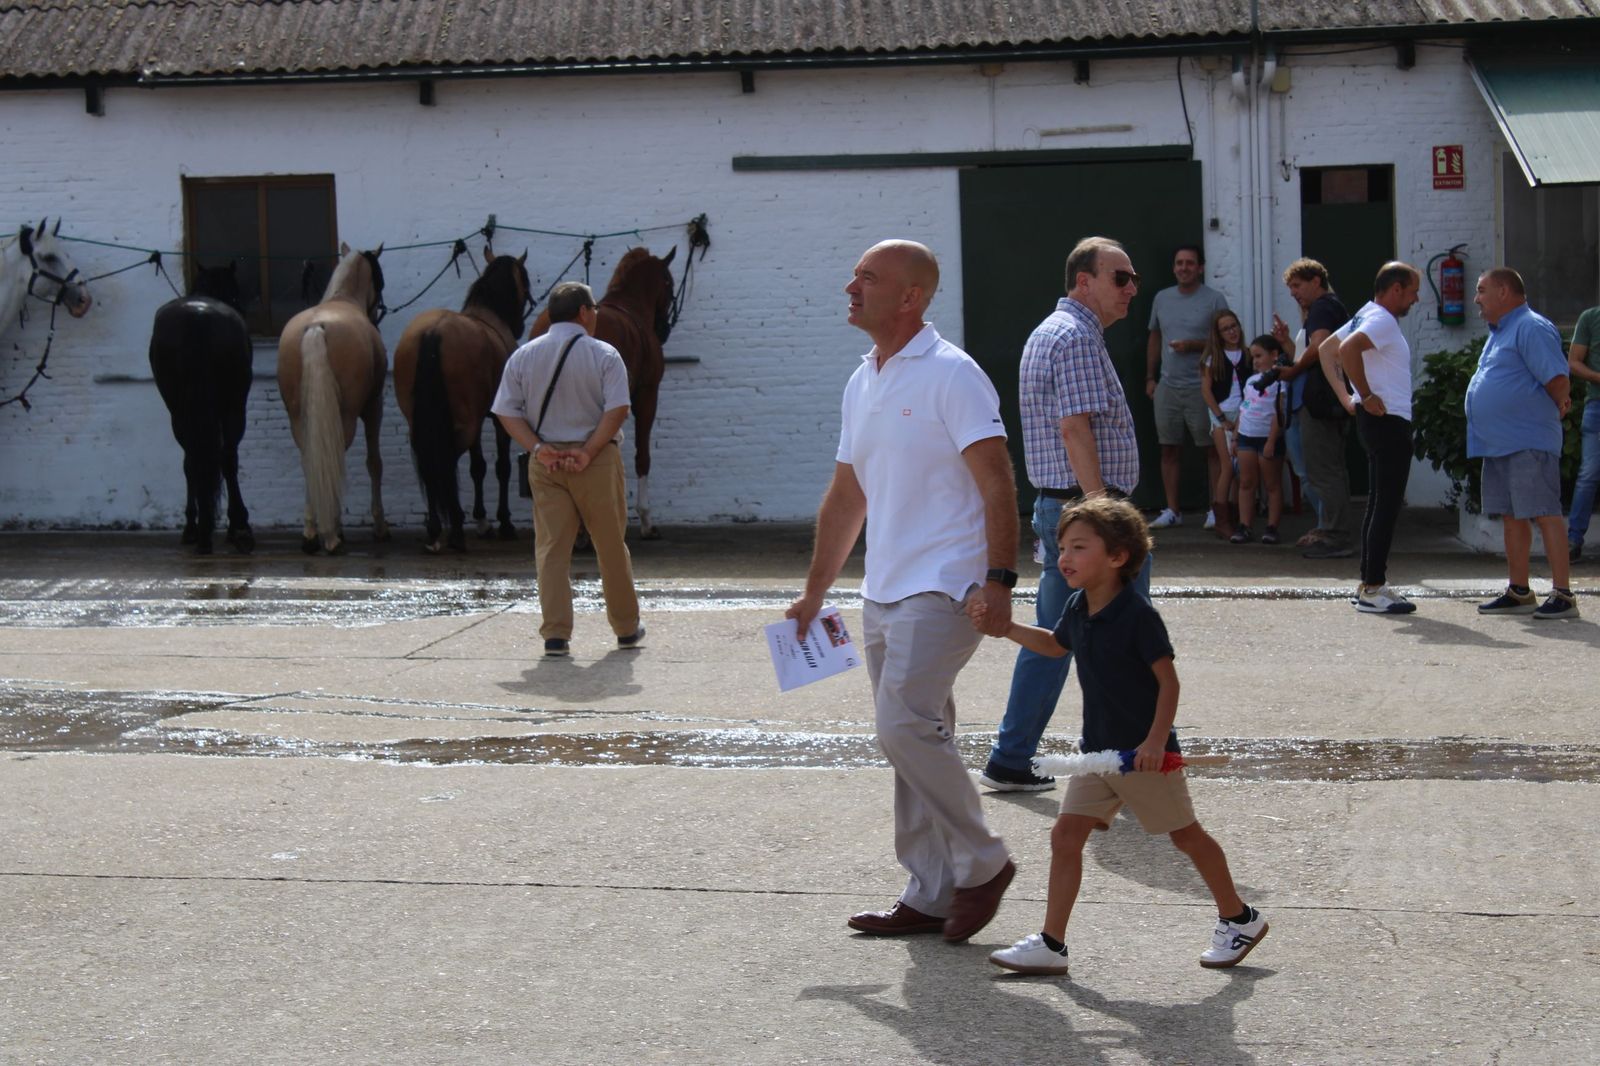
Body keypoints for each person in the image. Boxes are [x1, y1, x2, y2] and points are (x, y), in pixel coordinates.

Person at [787, 239, 1019, 943]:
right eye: (854, 274)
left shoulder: (954, 375)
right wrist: (814, 593)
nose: (850, 286)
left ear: (911, 296)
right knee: (915, 736)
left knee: (903, 726)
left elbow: (998, 483)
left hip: (947, 585)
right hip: (883, 588)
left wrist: (1000, 579)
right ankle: (931, 890)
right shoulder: (863, 379)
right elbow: (846, 496)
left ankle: (983, 863)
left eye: (867, 277)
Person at [973, 497, 1266, 976]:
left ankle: (1239, 918)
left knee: (1186, 836)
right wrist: (1006, 628)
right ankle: (1051, 943)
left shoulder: (1136, 615)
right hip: (1098, 754)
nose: (1064, 557)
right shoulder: (1077, 605)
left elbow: (1168, 683)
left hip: (1142, 755)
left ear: (1117, 556)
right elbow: (1055, 645)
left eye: (1079, 547)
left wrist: (1154, 742)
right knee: (1066, 836)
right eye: (1062, 547)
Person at [980, 236, 1151, 795]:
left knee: (1056, 640)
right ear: (1084, 280)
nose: (1131, 288)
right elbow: (1074, 428)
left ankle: (1012, 756)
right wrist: (1106, 515)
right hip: (1089, 514)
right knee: (1128, 638)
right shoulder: (1075, 336)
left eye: (1133, 278)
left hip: (1067, 510)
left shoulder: (1057, 331)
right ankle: (1128, 761)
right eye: (1120, 277)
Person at [492, 281, 644, 657]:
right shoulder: (604, 354)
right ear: (584, 312)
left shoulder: (523, 356)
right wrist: (589, 452)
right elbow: (618, 409)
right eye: (595, 310)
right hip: (596, 459)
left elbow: (505, 411)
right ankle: (625, 629)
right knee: (610, 546)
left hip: (547, 462)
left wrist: (537, 448)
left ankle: (556, 635)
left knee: (551, 550)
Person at [1467, 269, 1579, 620]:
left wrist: (1559, 403)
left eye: (1482, 290)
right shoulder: (1500, 331)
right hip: (1499, 442)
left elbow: (1557, 378)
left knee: (1545, 513)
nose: (1476, 299)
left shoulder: (1530, 326)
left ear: (1503, 291)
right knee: (1511, 515)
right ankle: (1519, 591)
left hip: (1528, 438)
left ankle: (1563, 595)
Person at [1319, 262, 1422, 615]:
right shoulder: (1381, 320)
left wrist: (1349, 398)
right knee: (1386, 505)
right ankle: (1373, 588)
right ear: (1396, 289)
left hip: (1377, 418)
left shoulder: (1367, 314)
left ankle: (1370, 583)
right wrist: (1363, 393)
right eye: (1412, 292)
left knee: (1379, 503)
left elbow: (1326, 349)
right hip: (1387, 420)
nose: (1415, 299)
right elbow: (1345, 349)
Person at [1271, 259, 1354, 559]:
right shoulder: (1325, 309)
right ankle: (1328, 528)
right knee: (1321, 469)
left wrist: (1292, 371)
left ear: (1316, 281)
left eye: (1297, 285)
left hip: (1319, 404)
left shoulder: (1323, 307)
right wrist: (1287, 344)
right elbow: (1310, 353)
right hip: (1319, 402)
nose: (1293, 293)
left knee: (1324, 470)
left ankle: (1335, 536)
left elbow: (1319, 348)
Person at [1145, 245, 1230, 529]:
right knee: (1169, 448)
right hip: (1168, 386)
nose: (1184, 268)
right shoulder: (1162, 298)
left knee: (1212, 450)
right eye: (1179, 263)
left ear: (1200, 268)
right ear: (1174, 268)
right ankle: (1173, 510)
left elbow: (1226, 340)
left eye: (1190, 263)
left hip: (1202, 387)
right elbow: (1155, 337)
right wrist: (1150, 377)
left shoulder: (1214, 299)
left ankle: (1216, 508)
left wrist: (1193, 345)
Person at [1229, 335, 1288, 546]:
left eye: (1259, 356)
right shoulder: (1251, 381)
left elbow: (1279, 413)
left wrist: (1271, 441)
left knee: (1271, 484)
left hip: (1267, 438)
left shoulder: (1280, 382)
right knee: (1246, 482)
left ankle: (1272, 527)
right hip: (1247, 435)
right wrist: (1236, 436)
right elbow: (1244, 408)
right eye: (1252, 357)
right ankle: (1244, 525)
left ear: (1274, 355)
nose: (1255, 361)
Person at [1199, 310, 1248, 541]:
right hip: (1221, 414)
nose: (1232, 332)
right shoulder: (1213, 359)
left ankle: (1239, 517)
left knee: (1241, 468)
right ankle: (1222, 519)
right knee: (1227, 465)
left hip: (1244, 413)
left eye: (1234, 326)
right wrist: (1221, 418)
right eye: (1225, 329)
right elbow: (1206, 391)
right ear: (1218, 334)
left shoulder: (1247, 355)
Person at [1565, 305, 1600, 563]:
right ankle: (1573, 539)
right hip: (1597, 405)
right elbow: (1574, 362)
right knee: (1589, 472)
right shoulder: (1590, 317)